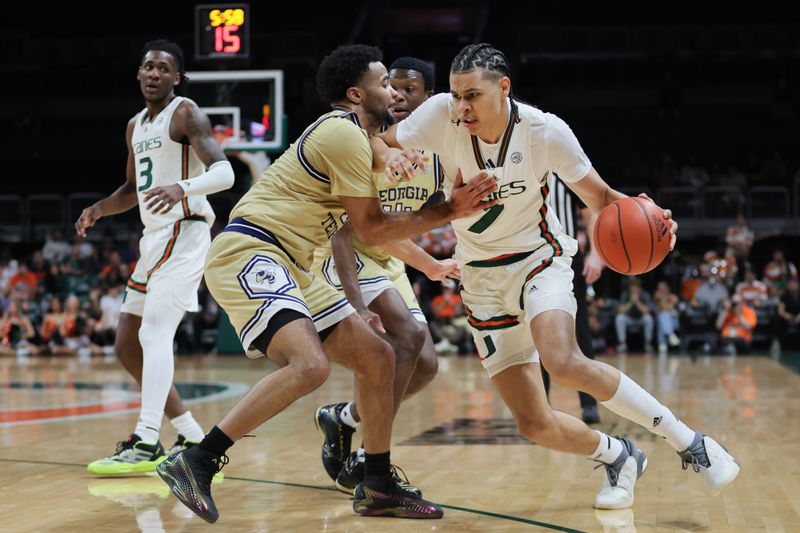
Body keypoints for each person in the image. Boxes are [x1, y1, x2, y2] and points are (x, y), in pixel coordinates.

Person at [373, 42, 740, 510]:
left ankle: (692, 443)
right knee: (534, 423)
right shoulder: (440, 114)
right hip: (480, 281)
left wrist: (649, 214)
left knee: (562, 359)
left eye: (473, 95)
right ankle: (619, 455)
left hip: (537, 260)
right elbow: (379, 142)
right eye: (456, 95)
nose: (462, 106)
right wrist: (391, 159)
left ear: (503, 88)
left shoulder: (545, 132)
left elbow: (602, 197)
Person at [155, 44, 497, 523]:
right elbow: (372, 229)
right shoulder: (341, 134)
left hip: (299, 262)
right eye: (383, 84)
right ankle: (197, 459)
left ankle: (376, 482)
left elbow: (385, 152)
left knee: (379, 358)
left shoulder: (359, 137)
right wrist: (448, 210)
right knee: (309, 365)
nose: (392, 92)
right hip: (254, 247)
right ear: (356, 94)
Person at [75, 39, 235, 474]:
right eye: (147, 66)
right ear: (138, 73)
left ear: (176, 78)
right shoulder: (134, 126)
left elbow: (225, 173)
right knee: (127, 344)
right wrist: (99, 208)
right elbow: (132, 190)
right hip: (155, 239)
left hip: (186, 231)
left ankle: (147, 441)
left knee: (155, 334)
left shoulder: (186, 112)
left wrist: (182, 188)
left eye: (163, 68)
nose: (153, 74)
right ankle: (189, 432)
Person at [311, 57, 459, 494]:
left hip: (387, 256)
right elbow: (354, 227)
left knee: (426, 366)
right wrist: (360, 302)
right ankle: (371, 461)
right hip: (343, 247)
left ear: (429, 99)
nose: (397, 97)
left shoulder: (439, 153)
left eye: (409, 90)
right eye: (391, 88)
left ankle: (344, 418)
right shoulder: (362, 138)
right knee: (404, 339)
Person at [540, 172, 602, 424]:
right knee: (533, 335)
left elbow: (591, 212)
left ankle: (589, 403)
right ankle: (539, 406)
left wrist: (597, 255)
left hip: (567, 257)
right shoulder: (515, 164)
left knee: (580, 332)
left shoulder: (563, 170)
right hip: (529, 258)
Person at [615, 279, 655, 354]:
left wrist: (637, 302)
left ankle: (648, 344)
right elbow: (621, 310)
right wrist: (630, 302)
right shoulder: (625, 294)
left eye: (635, 288)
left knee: (648, 318)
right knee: (620, 318)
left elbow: (646, 311)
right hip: (629, 319)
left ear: (639, 288)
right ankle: (622, 344)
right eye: (631, 288)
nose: (633, 290)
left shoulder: (645, 295)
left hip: (640, 319)